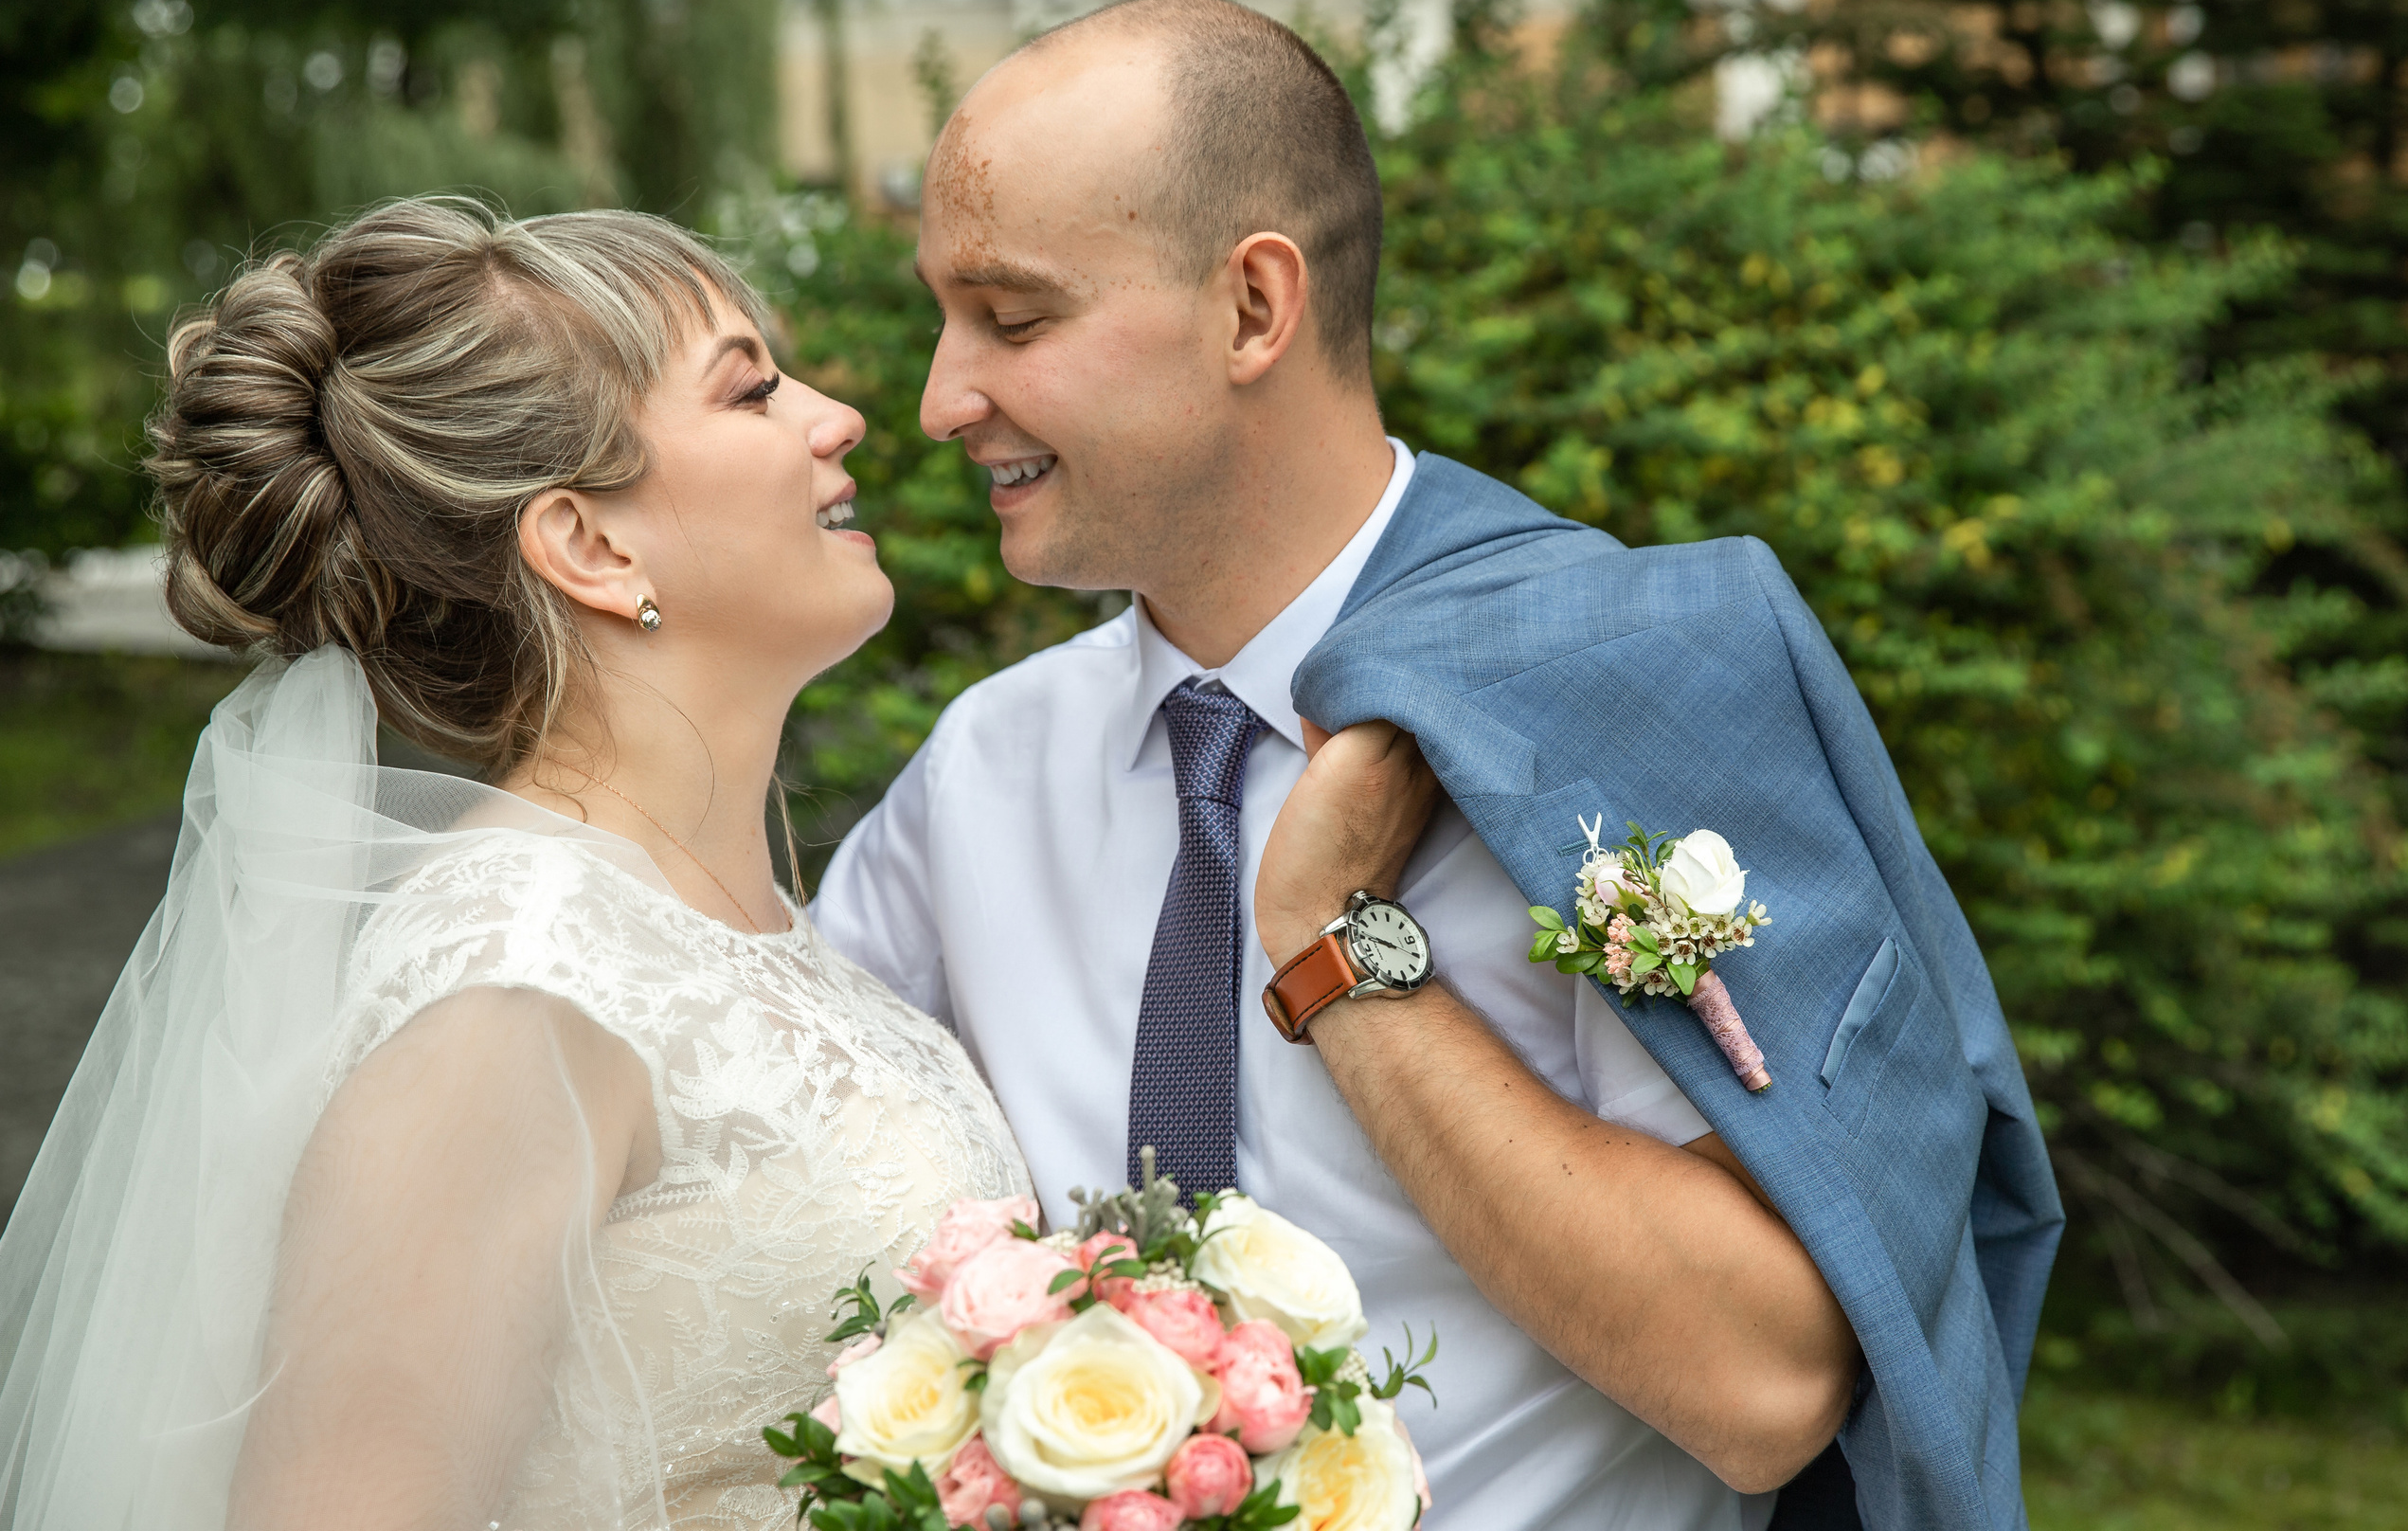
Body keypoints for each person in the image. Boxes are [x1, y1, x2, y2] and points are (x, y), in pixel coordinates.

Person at [812, 0, 2061, 1531]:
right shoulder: (983, 772)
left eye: (1013, 320)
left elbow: (1768, 1387)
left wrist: (1339, 944)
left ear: (1254, 309)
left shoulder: (1615, 689)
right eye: (945, 317)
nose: (942, 399)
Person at [0, 196, 1425, 1529]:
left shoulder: (748, 927)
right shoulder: (516, 986)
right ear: (588, 542)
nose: (843, 416)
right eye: (752, 390)